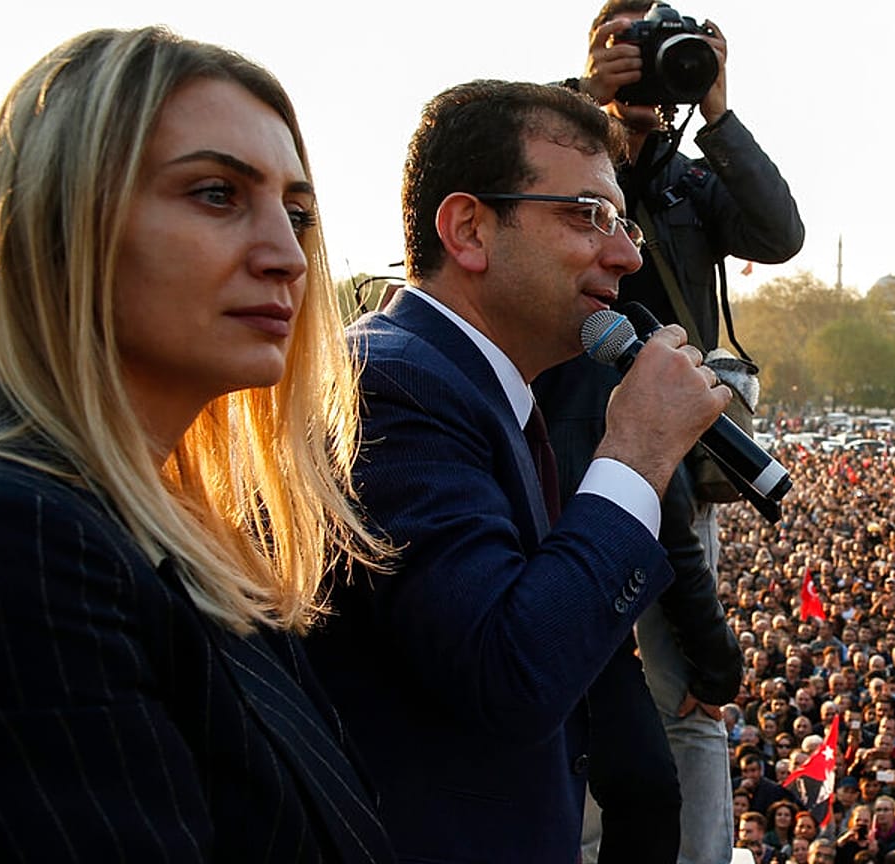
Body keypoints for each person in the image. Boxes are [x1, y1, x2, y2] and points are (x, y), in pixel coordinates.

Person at [0, 26, 393, 861]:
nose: (288, 256)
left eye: (298, 213)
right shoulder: (22, 537)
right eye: (215, 193)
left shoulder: (183, 531)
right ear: (59, 215)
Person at [304, 79, 731, 862]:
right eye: (588, 216)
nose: (627, 255)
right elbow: (512, 670)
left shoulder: (483, 389)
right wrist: (636, 451)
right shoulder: (394, 387)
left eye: (625, 222)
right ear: (469, 229)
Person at [542, 1, 805, 861]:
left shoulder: (690, 182)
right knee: (562, 667)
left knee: (687, 692)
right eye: (627, 48)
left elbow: (779, 231)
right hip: (567, 440)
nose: (648, 69)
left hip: (684, 450)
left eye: (664, 53)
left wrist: (718, 112)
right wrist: (590, 104)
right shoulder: (555, 152)